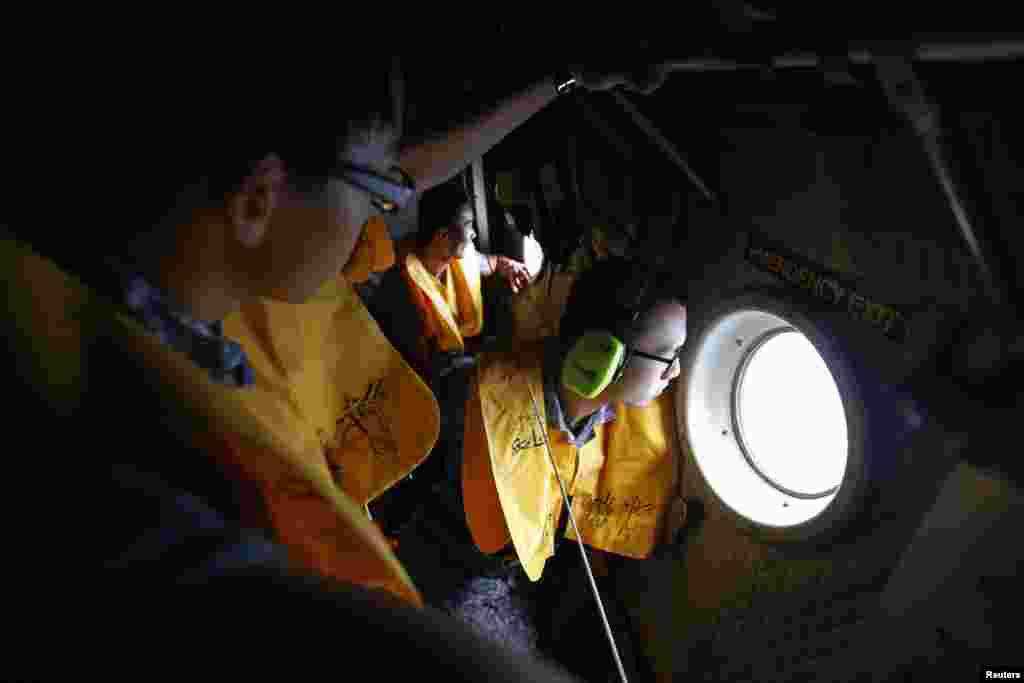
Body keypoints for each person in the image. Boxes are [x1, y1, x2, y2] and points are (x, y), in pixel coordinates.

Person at [458, 256, 690, 581]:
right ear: (604, 354)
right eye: (669, 353)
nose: (675, 371)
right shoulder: (483, 403)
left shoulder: (602, 415)